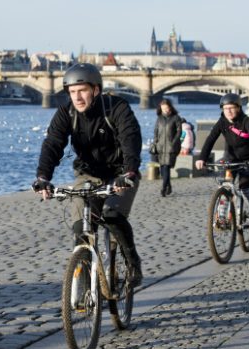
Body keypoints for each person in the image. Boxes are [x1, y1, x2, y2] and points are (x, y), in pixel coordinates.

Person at [31, 63, 144, 287]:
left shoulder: (116, 108)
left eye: (82, 90)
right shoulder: (67, 112)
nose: (77, 97)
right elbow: (53, 143)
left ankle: (133, 263)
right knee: (81, 228)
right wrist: (43, 177)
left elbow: (131, 139)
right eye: (72, 92)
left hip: (120, 173)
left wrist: (129, 172)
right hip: (88, 175)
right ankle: (83, 289)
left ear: (96, 90)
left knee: (112, 216)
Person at [195, 93, 249, 227]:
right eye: (226, 108)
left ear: (238, 108)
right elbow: (210, 139)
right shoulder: (222, 122)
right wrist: (202, 158)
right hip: (231, 158)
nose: (229, 111)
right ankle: (221, 218)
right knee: (225, 185)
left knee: (244, 187)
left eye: (232, 108)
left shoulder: (246, 121)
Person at [153, 99, 183, 197]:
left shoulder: (176, 118)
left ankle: (163, 187)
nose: (165, 110)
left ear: (170, 107)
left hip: (171, 147)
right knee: (163, 168)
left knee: (166, 166)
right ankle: (169, 186)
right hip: (160, 147)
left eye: (166, 108)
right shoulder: (159, 118)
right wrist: (155, 143)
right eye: (163, 109)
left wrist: (174, 143)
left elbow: (179, 132)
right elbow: (156, 132)